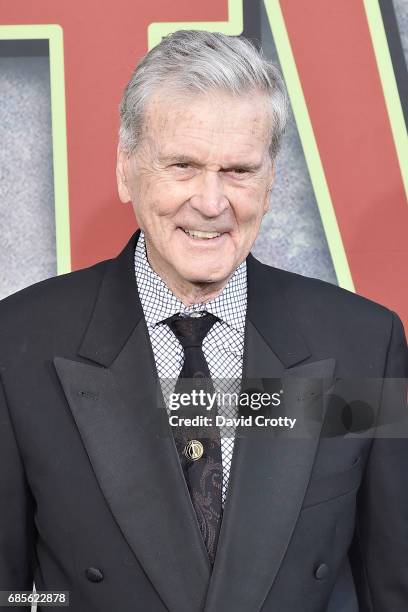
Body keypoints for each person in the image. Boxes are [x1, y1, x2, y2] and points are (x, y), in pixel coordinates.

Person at [0, 30, 407, 612]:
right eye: (182, 166)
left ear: (271, 183)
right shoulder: (18, 345)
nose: (211, 202)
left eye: (239, 170)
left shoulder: (366, 344)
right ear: (126, 169)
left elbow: (393, 584)